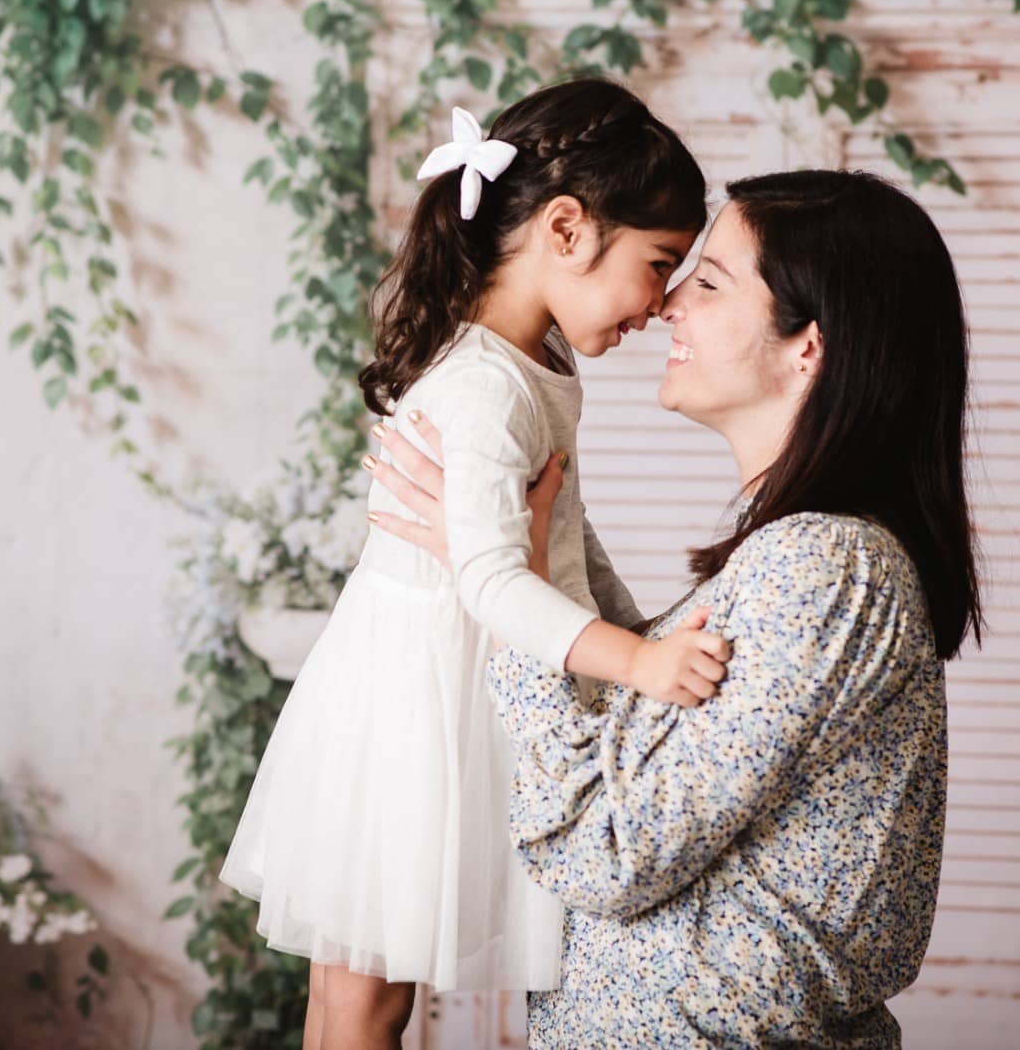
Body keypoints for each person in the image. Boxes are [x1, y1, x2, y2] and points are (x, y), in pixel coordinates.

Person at [367, 168, 983, 1046]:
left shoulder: (829, 569)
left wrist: (509, 595)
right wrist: (499, 535)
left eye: (709, 280)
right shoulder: (792, 563)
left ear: (810, 343)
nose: (666, 306)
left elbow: (606, 847)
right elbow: (625, 703)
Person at [219, 78, 732, 1050]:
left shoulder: (534, 365)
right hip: (414, 702)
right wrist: (637, 664)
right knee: (364, 998)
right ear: (567, 229)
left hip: (433, 686)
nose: (662, 303)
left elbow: (563, 538)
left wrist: (639, 628)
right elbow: (494, 580)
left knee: (360, 991)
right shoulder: (488, 389)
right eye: (659, 262)